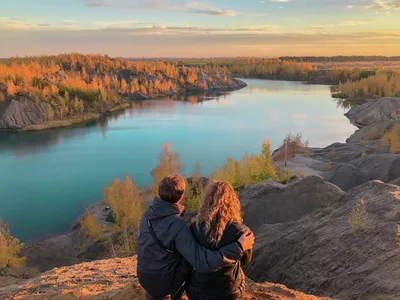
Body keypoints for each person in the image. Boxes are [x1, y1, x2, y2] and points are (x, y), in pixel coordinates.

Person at [137, 175, 254, 300]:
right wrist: (239, 247)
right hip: (225, 291)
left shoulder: (148, 215)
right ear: (181, 197)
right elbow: (203, 262)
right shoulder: (180, 226)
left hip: (144, 276)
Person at [185, 180, 253, 300]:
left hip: (197, 291)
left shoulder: (194, 227)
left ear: (206, 201)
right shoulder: (241, 232)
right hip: (228, 292)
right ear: (232, 202)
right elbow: (246, 260)